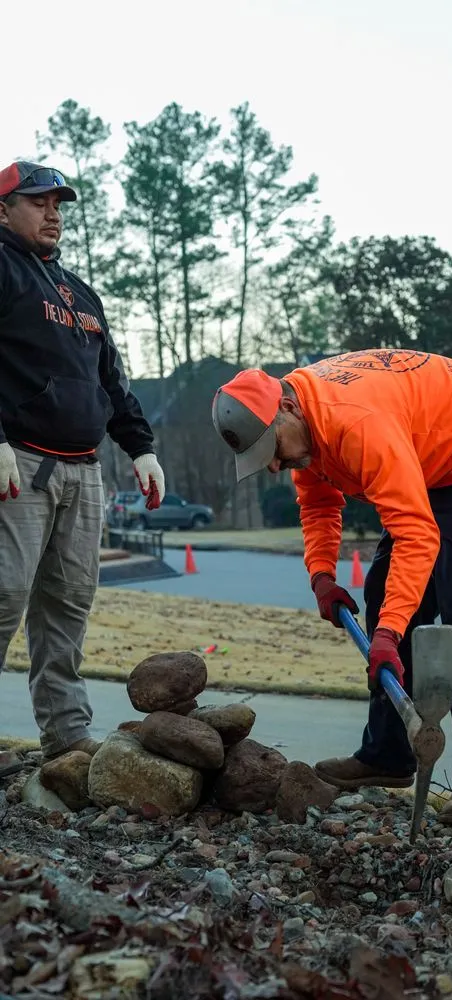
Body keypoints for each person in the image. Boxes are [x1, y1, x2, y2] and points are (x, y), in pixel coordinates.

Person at [211, 349, 452, 825]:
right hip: (426, 454)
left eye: (273, 449)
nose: (276, 466)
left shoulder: (354, 425)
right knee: (384, 593)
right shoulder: (306, 430)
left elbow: (417, 533)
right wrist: (322, 575)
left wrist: (388, 636)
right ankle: (388, 755)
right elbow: (320, 506)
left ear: (286, 407)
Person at [0, 160, 165, 759]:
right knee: (3, 595)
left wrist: (141, 447)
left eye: (59, 203)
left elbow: (110, 380)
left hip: (82, 470)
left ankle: (67, 738)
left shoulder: (78, 291)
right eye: (38, 200)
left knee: (68, 604)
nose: (53, 213)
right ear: (2, 209)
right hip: (17, 464)